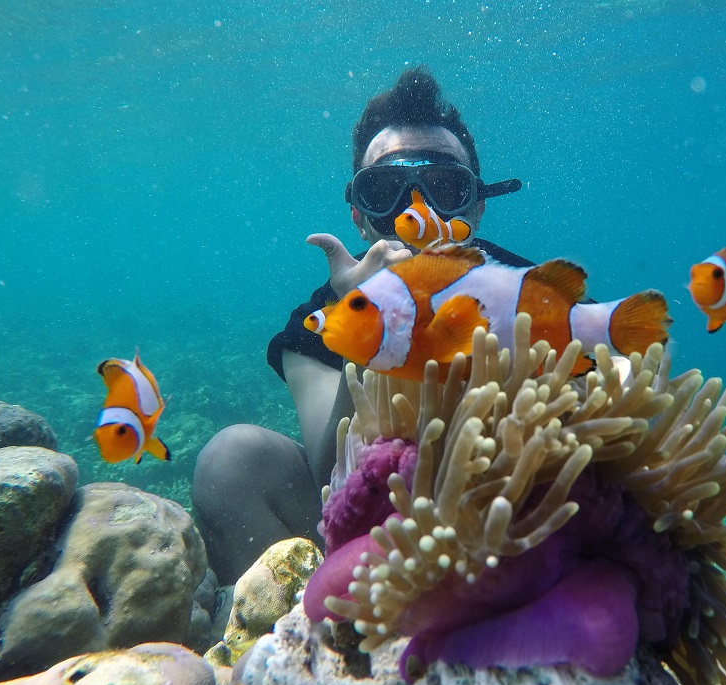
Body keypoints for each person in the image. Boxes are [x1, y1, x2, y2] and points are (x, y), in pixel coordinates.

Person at [192, 67, 529, 585]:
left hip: (515, 510)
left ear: (477, 205)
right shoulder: (323, 321)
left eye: (444, 187)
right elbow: (331, 469)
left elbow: (622, 379)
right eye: (386, 191)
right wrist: (375, 321)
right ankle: (284, 626)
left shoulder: (533, 293)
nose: (415, 210)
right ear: (358, 215)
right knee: (230, 460)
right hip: (361, 523)